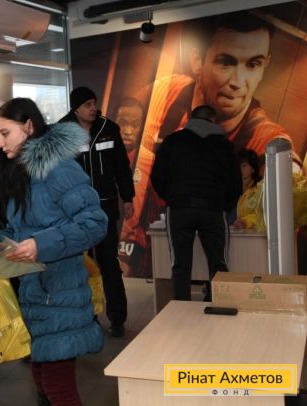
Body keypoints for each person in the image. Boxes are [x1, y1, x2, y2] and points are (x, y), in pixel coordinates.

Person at [120, 10, 301, 279]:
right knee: (204, 267)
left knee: (196, 269)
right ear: (197, 60)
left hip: (196, 223)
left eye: (253, 64)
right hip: (156, 250)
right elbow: (136, 166)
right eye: (226, 62)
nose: (237, 82)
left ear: (266, 65)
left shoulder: (269, 139)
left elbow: (288, 196)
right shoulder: (165, 93)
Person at [0, 97, 107, 405]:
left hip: (60, 295)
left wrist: (41, 244)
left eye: (5, 133)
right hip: (36, 295)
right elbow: (17, 234)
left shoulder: (59, 168)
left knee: (57, 387)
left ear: (28, 126)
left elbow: (95, 223)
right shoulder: (23, 174)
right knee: (43, 380)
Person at [59, 86, 135, 337]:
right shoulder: (61, 132)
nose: (94, 108)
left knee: (109, 263)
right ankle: (87, 316)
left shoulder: (109, 128)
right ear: (76, 109)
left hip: (105, 208)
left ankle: (117, 318)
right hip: (75, 212)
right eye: (88, 105)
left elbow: (122, 167)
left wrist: (128, 197)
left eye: (94, 103)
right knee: (82, 266)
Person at [151, 105, 242, 302]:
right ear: (213, 120)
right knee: (218, 263)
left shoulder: (172, 141)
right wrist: (225, 205)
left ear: (190, 120)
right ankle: (217, 304)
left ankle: (182, 308)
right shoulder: (224, 144)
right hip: (213, 210)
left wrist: (171, 198)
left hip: (179, 209)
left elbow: (157, 176)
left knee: (180, 263)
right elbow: (235, 182)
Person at [231, 148, 263, 229]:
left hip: (250, 233)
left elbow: (263, 214)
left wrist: (246, 221)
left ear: (253, 169)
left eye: (244, 165)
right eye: (238, 165)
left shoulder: (260, 190)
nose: (240, 169)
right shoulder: (230, 188)